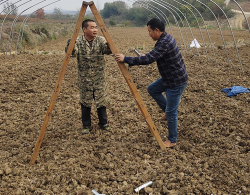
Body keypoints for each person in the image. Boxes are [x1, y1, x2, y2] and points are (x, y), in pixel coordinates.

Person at [114, 18, 188, 148]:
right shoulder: (165, 39)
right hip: (168, 77)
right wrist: (144, 56)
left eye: (149, 31)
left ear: (157, 30)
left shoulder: (164, 42)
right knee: (152, 89)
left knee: (172, 112)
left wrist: (126, 59)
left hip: (175, 81)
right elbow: (154, 55)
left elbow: (150, 59)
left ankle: (172, 139)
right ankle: (167, 111)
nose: (149, 34)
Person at [65, 19, 113, 134]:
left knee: (101, 101)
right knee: (85, 102)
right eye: (92, 27)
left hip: (99, 78)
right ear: (84, 29)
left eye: (96, 27)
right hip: (84, 78)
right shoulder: (78, 41)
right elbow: (72, 53)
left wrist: (110, 43)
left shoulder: (100, 40)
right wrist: (69, 44)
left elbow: (108, 50)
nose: (95, 29)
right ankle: (86, 125)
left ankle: (103, 123)